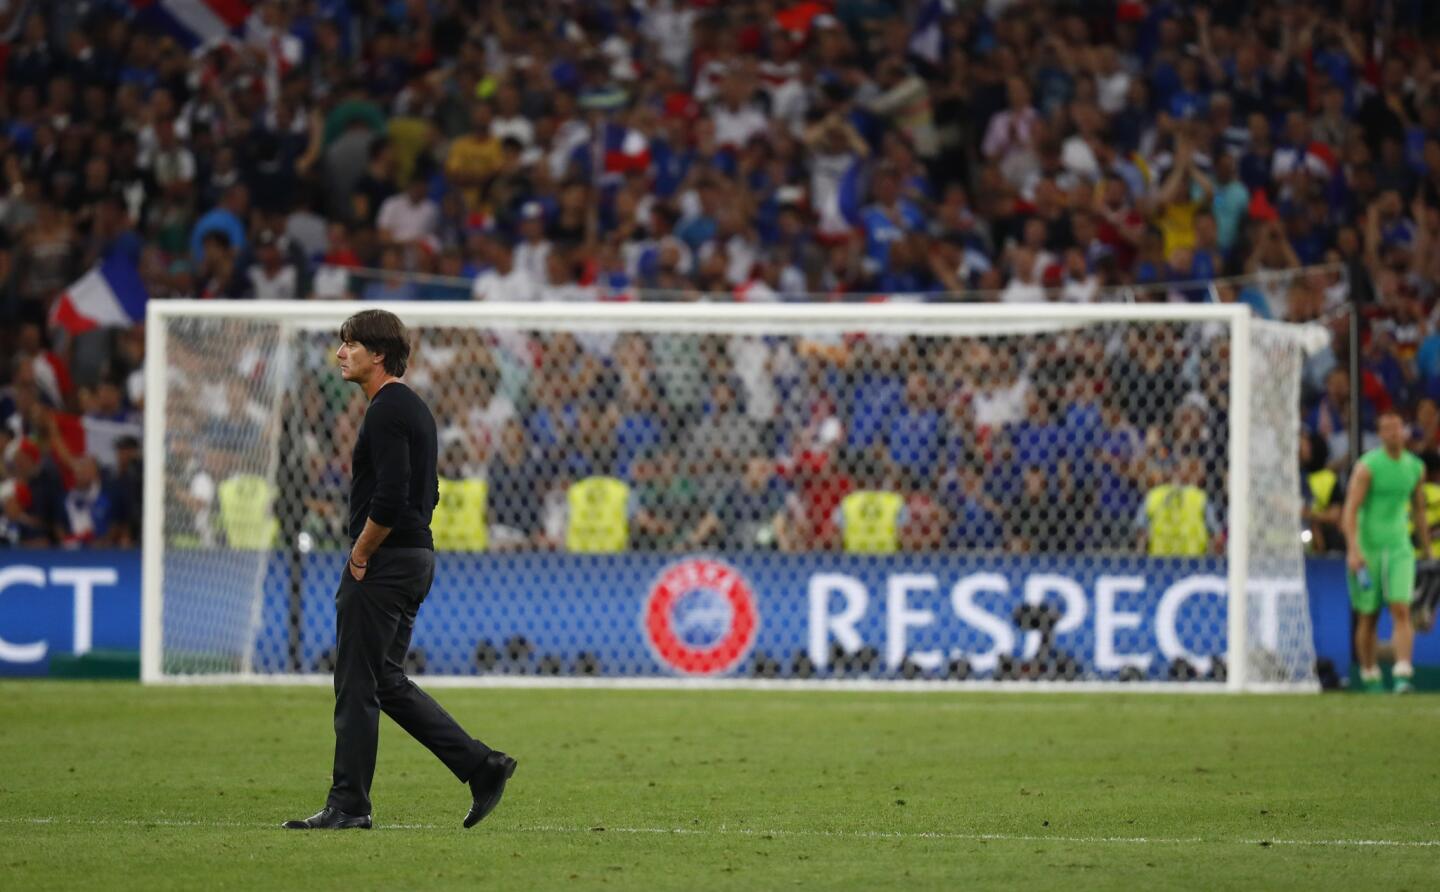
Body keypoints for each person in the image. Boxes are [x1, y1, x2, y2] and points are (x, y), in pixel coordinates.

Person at [284, 310, 516, 831]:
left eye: (350, 344)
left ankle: (349, 805)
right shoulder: (413, 409)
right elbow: (426, 493)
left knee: (356, 683)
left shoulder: (386, 410)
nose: (341, 353)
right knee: (384, 681)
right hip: (416, 558)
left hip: (385, 562)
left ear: (378, 354)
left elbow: (389, 497)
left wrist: (361, 553)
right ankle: (482, 766)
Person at [1341, 410, 1430, 694]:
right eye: (1386, 429)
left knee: (1401, 607)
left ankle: (1403, 672)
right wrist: (1353, 549)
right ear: (1380, 435)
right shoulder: (1368, 467)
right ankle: (1369, 674)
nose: (1393, 433)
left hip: (1399, 546)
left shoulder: (1415, 467)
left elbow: (1418, 509)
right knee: (1368, 615)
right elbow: (1350, 510)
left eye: (1397, 428)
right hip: (1368, 548)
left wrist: (1426, 550)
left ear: (1404, 430)